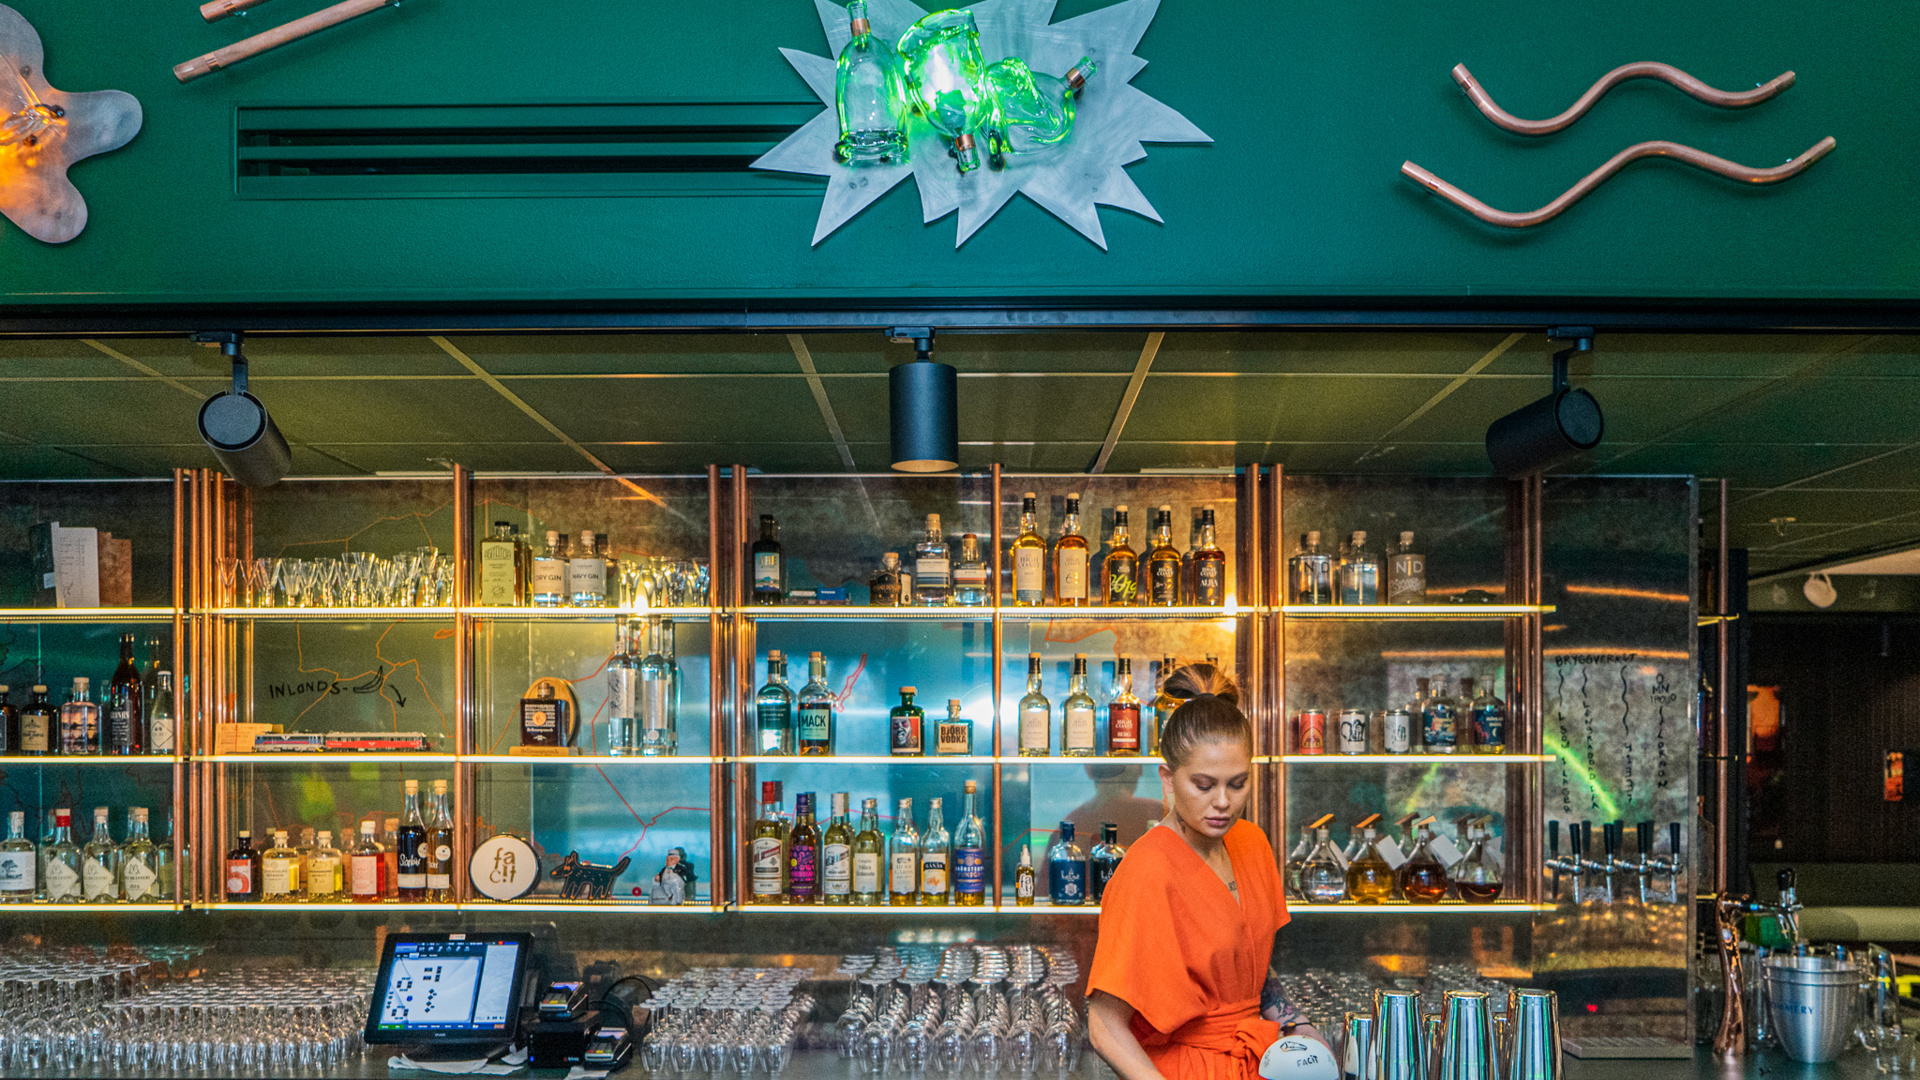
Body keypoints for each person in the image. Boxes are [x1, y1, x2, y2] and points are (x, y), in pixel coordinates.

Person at [1086, 663, 1315, 1080]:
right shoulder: (1147, 869)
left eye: (1238, 783)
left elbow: (1251, 969)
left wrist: (1298, 1026)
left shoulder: (1252, 844)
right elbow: (1104, 1025)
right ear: (1169, 779)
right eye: (1204, 785)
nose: (1224, 802)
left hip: (1256, 1062)